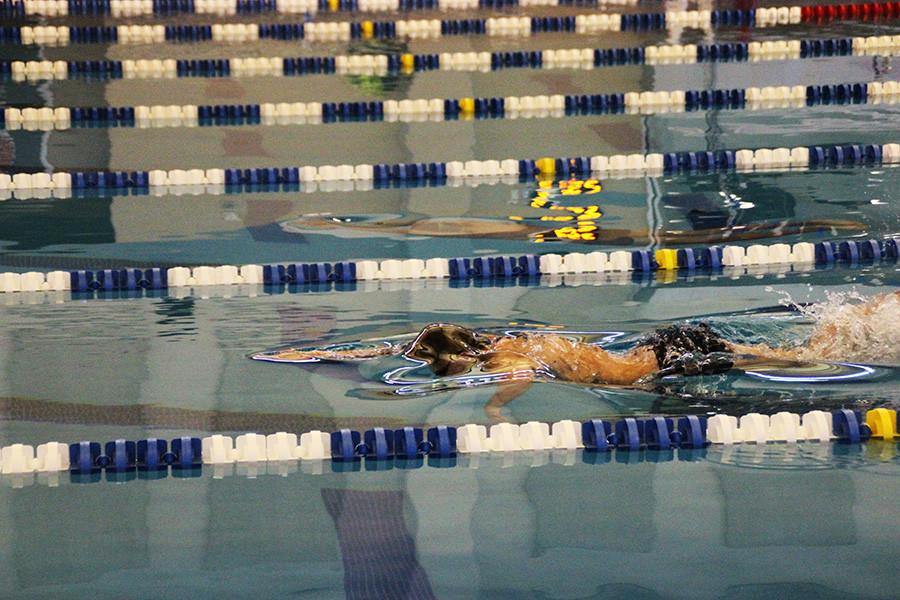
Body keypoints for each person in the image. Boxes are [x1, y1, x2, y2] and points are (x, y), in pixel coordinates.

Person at [253, 292, 898, 418]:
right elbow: (399, 344)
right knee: (795, 353)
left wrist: (497, 413)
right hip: (666, 347)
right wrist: (307, 354)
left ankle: (865, 325)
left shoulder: (507, 360)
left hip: (665, 365)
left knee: (806, 363)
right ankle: (864, 318)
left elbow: (521, 380)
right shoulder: (514, 338)